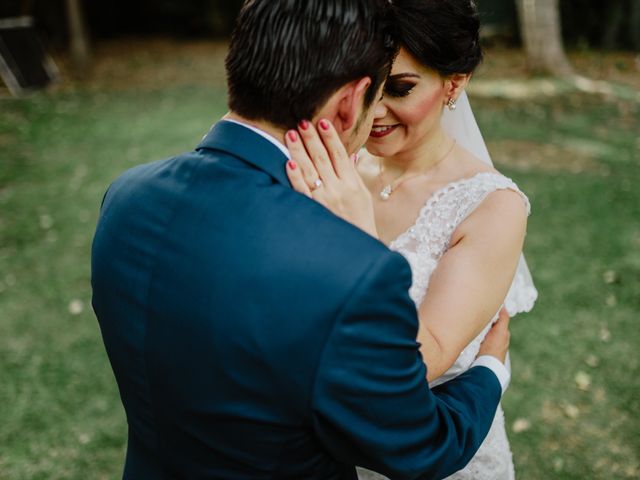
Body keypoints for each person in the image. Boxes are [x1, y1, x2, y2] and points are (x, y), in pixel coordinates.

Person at [91, 1, 512, 478]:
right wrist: (490, 371)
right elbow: (421, 445)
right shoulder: (348, 268)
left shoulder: (127, 196)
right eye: (380, 93)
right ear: (352, 101)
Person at [285, 1, 537, 479]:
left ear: (454, 83)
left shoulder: (491, 206)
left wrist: (357, 238)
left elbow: (420, 360)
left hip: (435, 451)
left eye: (400, 89)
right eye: (366, 86)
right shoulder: (339, 167)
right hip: (328, 449)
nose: (374, 111)